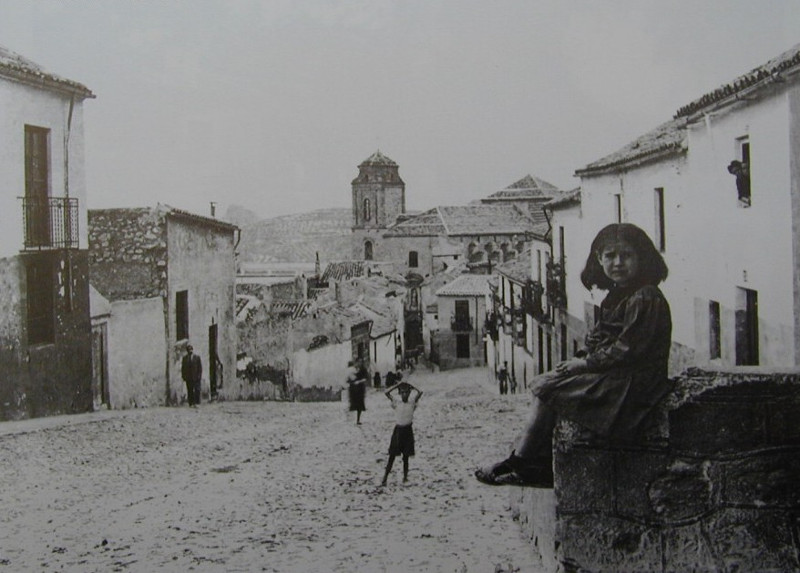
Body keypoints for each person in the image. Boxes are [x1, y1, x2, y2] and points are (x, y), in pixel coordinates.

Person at [475, 223, 672, 487]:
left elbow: (628, 348)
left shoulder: (646, 297)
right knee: (548, 382)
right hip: (619, 374)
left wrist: (585, 364)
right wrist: (580, 359)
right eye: (609, 256)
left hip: (636, 383)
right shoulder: (617, 295)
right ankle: (535, 463)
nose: (617, 263)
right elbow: (602, 340)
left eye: (626, 255)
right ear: (599, 259)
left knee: (548, 390)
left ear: (642, 258)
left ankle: (522, 463)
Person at [380, 380, 423, 486]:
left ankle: (405, 477)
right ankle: (385, 477)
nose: (405, 394)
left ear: (409, 393)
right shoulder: (397, 403)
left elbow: (420, 392)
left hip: (407, 430)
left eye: (407, 392)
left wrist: (411, 385)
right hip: (398, 431)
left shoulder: (412, 402)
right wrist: (397, 385)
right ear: (400, 393)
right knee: (392, 455)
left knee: (406, 456)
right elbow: (386, 392)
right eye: (402, 392)